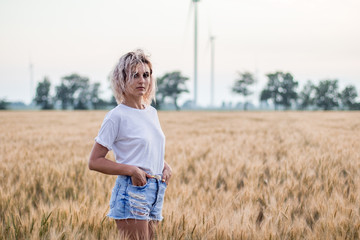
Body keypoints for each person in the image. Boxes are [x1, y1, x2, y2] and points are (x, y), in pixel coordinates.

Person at [88, 49, 172, 239]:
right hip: (132, 191)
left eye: (146, 75)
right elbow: (94, 161)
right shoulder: (116, 116)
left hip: (156, 190)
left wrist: (163, 164)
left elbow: (144, 147)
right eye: (135, 75)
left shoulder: (151, 112)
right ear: (121, 79)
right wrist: (131, 170)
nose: (142, 80)